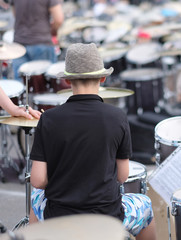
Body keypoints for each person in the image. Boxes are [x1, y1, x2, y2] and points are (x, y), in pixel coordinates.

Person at [29, 43, 156, 240]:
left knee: (36, 197)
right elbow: (122, 176)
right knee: (145, 205)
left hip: (59, 216)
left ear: (68, 80)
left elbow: (38, 180)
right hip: (108, 216)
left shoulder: (49, 119)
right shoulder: (118, 117)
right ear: (102, 78)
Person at [8, 0, 64, 80]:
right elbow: (58, 19)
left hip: (19, 45)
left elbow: (15, 14)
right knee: (46, 86)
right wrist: (53, 31)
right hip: (42, 42)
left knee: (22, 85)